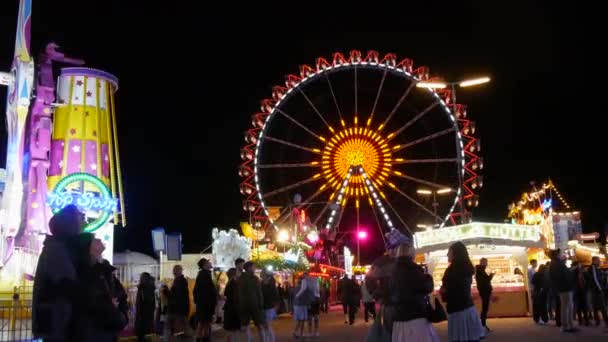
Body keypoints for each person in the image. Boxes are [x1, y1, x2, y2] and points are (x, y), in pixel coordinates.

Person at [73, 237, 129, 341]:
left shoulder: (105, 268)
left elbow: (121, 294)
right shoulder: (83, 272)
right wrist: (108, 304)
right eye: (94, 239)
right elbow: (86, 301)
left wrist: (122, 315)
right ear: (88, 249)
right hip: (93, 332)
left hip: (109, 329)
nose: (99, 239)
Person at [389, 233, 439, 342]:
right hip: (415, 314)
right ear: (411, 252)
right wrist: (429, 275)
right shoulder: (413, 269)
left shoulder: (393, 270)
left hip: (399, 316)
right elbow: (426, 287)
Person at [440, 241, 484, 342]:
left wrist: (444, 291)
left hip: (458, 310)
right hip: (467, 308)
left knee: (461, 338)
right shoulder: (465, 268)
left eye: (449, 252)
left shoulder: (453, 270)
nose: (447, 254)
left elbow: (452, 291)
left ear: (455, 253)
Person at [237, 261, 266, 341]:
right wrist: (261, 304)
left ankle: (248, 340)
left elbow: (239, 294)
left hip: (244, 305)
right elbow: (259, 293)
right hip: (255, 305)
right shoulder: (255, 278)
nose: (255, 268)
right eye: (254, 266)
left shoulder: (240, 279)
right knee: (259, 325)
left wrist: (240, 305)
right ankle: (263, 340)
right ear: (249, 268)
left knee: (246, 326)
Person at [549, 251, 577, 333]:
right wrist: (570, 271)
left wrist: (570, 270)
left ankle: (569, 325)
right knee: (566, 307)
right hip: (565, 287)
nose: (562, 255)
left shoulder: (556, 264)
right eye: (560, 254)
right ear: (557, 255)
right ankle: (566, 326)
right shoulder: (557, 264)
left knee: (568, 306)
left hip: (564, 287)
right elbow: (563, 276)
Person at [193, 258, 218, 342]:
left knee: (205, 323)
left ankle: (203, 338)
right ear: (204, 265)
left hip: (204, 304)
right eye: (208, 262)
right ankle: (201, 338)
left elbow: (196, 291)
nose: (210, 263)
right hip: (205, 304)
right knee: (203, 323)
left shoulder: (204, 274)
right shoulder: (204, 275)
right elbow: (206, 292)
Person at [168, 265, 191, 341]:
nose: (173, 272)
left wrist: (167, 292)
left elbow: (177, 295)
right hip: (180, 308)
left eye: (175, 270)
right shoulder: (178, 280)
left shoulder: (180, 281)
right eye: (173, 270)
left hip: (179, 308)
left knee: (179, 328)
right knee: (181, 327)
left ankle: (180, 338)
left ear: (179, 271)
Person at [587, 256, 608, 327]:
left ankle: (597, 321)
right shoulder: (593, 268)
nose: (600, 262)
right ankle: (606, 321)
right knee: (602, 306)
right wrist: (600, 288)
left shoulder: (595, 268)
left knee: (596, 306)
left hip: (594, 290)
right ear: (594, 261)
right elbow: (595, 279)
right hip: (596, 290)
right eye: (598, 260)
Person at [475, 258, 495, 332]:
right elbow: (486, 280)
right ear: (483, 262)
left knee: (485, 308)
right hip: (485, 291)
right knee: (485, 308)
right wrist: (492, 275)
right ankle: (483, 325)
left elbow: (484, 280)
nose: (487, 263)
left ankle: (483, 324)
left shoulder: (479, 270)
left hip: (484, 290)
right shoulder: (482, 270)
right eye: (485, 262)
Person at [135, 272, 156, 342]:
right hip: (146, 316)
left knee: (143, 335)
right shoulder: (148, 287)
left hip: (143, 316)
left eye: (141, 278)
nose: (140, 279)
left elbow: (144, 302)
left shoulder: (145, 288)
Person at [299, 273, 321, 337]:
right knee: (316, 316)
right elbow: (318, 290)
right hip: (316, 299)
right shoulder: (315, 280)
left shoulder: (305, 281)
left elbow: (303, 290)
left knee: (310, 317)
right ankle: (316, 331)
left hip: (310, 300)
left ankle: (310, 332)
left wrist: (298, 296)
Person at [223, 268, 241, 341]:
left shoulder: (229, 282)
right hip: (233, 309)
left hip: (229, 308)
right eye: (238, 272)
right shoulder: (234, 283)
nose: (239, 273)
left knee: (230, 331)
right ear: (234, 274)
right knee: (233, 330)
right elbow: (235, 297)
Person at [261, 270, 279, 341]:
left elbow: (275, 296)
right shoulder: (261, 283)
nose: (261, 274)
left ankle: (271, 340)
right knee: (265, 326)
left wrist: (275, 307)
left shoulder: (270, 283)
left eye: (262, 273)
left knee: (267, 325)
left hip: (269, 307)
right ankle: (268, 339)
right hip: (264, 306)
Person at [572, 262, 590, 326]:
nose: (579, 266)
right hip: (579, 291)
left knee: (581, 306)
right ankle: (584, 320)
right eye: (579, 265)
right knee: (582, 306)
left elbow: (587, 280)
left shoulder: (576, 272)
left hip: (579, 291)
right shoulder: (575, 272)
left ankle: (583, 320)